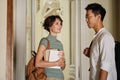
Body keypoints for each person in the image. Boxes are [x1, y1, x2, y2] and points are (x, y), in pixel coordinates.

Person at [83, 3, 117, 80]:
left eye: (88, 16)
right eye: (86, 17)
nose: (86, 20)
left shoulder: (105, 37)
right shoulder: (97, 37)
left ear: (98, 17)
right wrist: (90, 53)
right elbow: (100, 58)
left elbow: (105, 66)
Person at [35, 15, 66, 80]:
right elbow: (37, 63)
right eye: (57, 23)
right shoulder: (44, 41)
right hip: (48, 77)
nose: (60, 26)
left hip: (60, 77)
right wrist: (56, 63)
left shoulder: (59, 44)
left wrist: (62, 63)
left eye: (60, 24)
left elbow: (63, 67)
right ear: (50, 26)